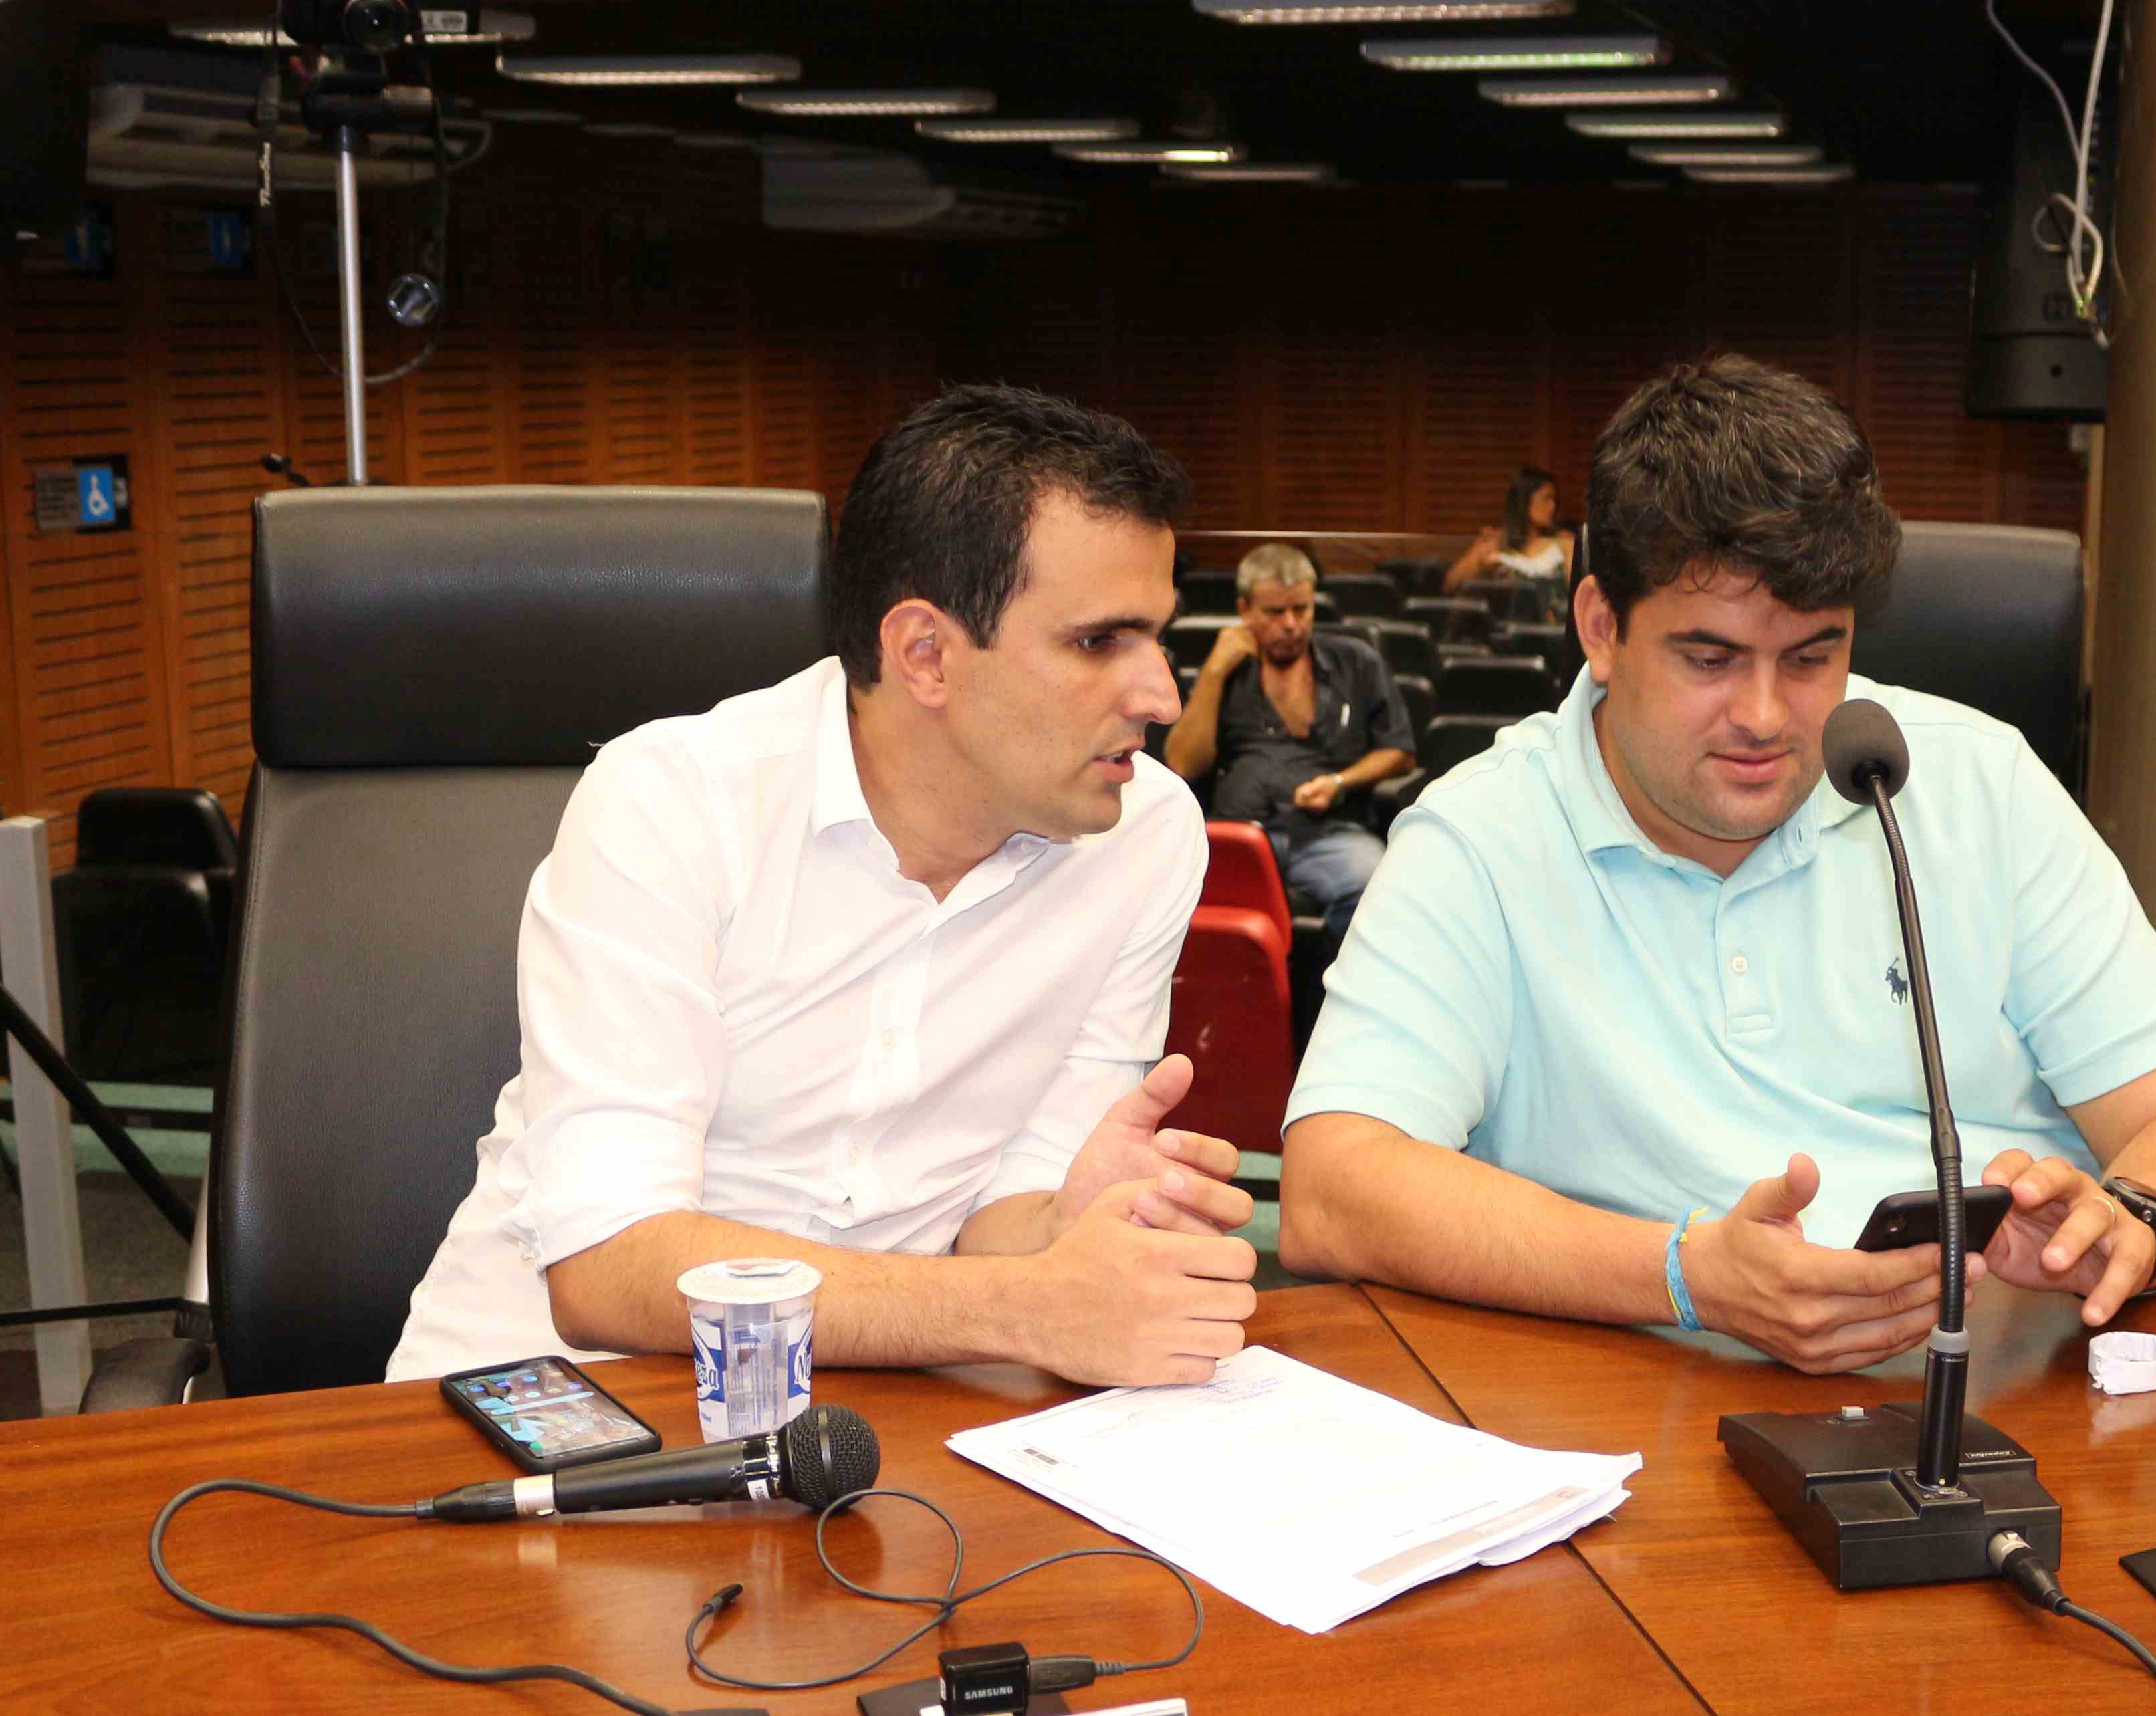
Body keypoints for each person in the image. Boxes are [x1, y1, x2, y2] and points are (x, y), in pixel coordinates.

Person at [1278, 355, 2156, 1370]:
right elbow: (1331, 1187)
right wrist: (1686, 1278)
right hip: (1652, 1403)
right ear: (1601, 629)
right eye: (1710, 659)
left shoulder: (1981, 783)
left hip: (2012, 1390)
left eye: (1811, 657)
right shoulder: (1482, 836)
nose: (1763, 717)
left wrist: (2131, 1222)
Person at [386, 384, 1260, 1389]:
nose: (1162, 696)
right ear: (925, 654)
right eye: (1099, 643)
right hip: (550, 1394)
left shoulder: (1146, 835)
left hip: (873, 1401)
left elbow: (1003, 1230)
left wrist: (1066, 1225)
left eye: (1158, 637)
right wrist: (1027, 1304)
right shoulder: (673, 801)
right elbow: (606, 1265)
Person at [1159, 539, 1414, 923]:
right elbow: (1182, 764)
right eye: (1275, 612)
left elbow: (1400, 752)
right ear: (1245, 611)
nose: (1292, 624)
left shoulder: (1356, 662)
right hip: (1236, 834)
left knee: (1375, 887)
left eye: (1301, 609)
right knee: (1165, 893)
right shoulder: (1226, 672)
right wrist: (1213, 673)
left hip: (1327, 834)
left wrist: (1339, 782)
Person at [1446, 465, 1576, 595]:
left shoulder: (1564, 543)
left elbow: (1577, 591)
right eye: (1546, 498)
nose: (1553, 506)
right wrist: (1481, 564)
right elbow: (1450, 585)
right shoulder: (1496, 543)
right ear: (1524, 500)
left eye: (1555, 500)